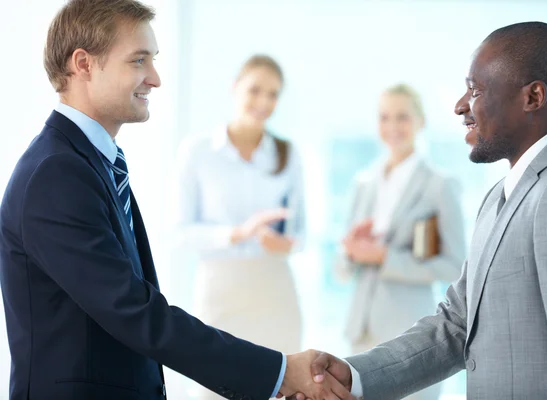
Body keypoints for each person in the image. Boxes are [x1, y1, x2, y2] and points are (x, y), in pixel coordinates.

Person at [0, 1, 350, 399]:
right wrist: (279, 372)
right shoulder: (57, 173)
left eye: (154, 60)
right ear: (83, 64)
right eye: (138, 60)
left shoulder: (93, 160)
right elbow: (133, 311)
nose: (155, 78)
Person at [301, 21, 547, 400]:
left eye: (475, 90)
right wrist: (354, 375)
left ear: (533, 97)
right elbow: (458, 323)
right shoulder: (498, 196)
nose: (461, 106)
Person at [172, 55, 305, 364]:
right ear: (234, 88)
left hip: (275, 286)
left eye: (273, 94)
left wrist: (285, 244)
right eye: (255, 90)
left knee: (285, 384)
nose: (264, 101)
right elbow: (180, 233)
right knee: (214, 383)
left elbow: (301, 232)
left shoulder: (287, 154)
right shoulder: (198, 151)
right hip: (220, 289)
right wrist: (238, 233)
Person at [338, 83, 465, 400]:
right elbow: (341, 270)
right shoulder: (363, 183)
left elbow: (455, 266)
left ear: (421, 121)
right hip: (360, 333)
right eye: (384, 117)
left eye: (402, 117)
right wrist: (350, 251)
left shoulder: (439, 185)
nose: (392, 127)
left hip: (410, 337)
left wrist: (384, 257)